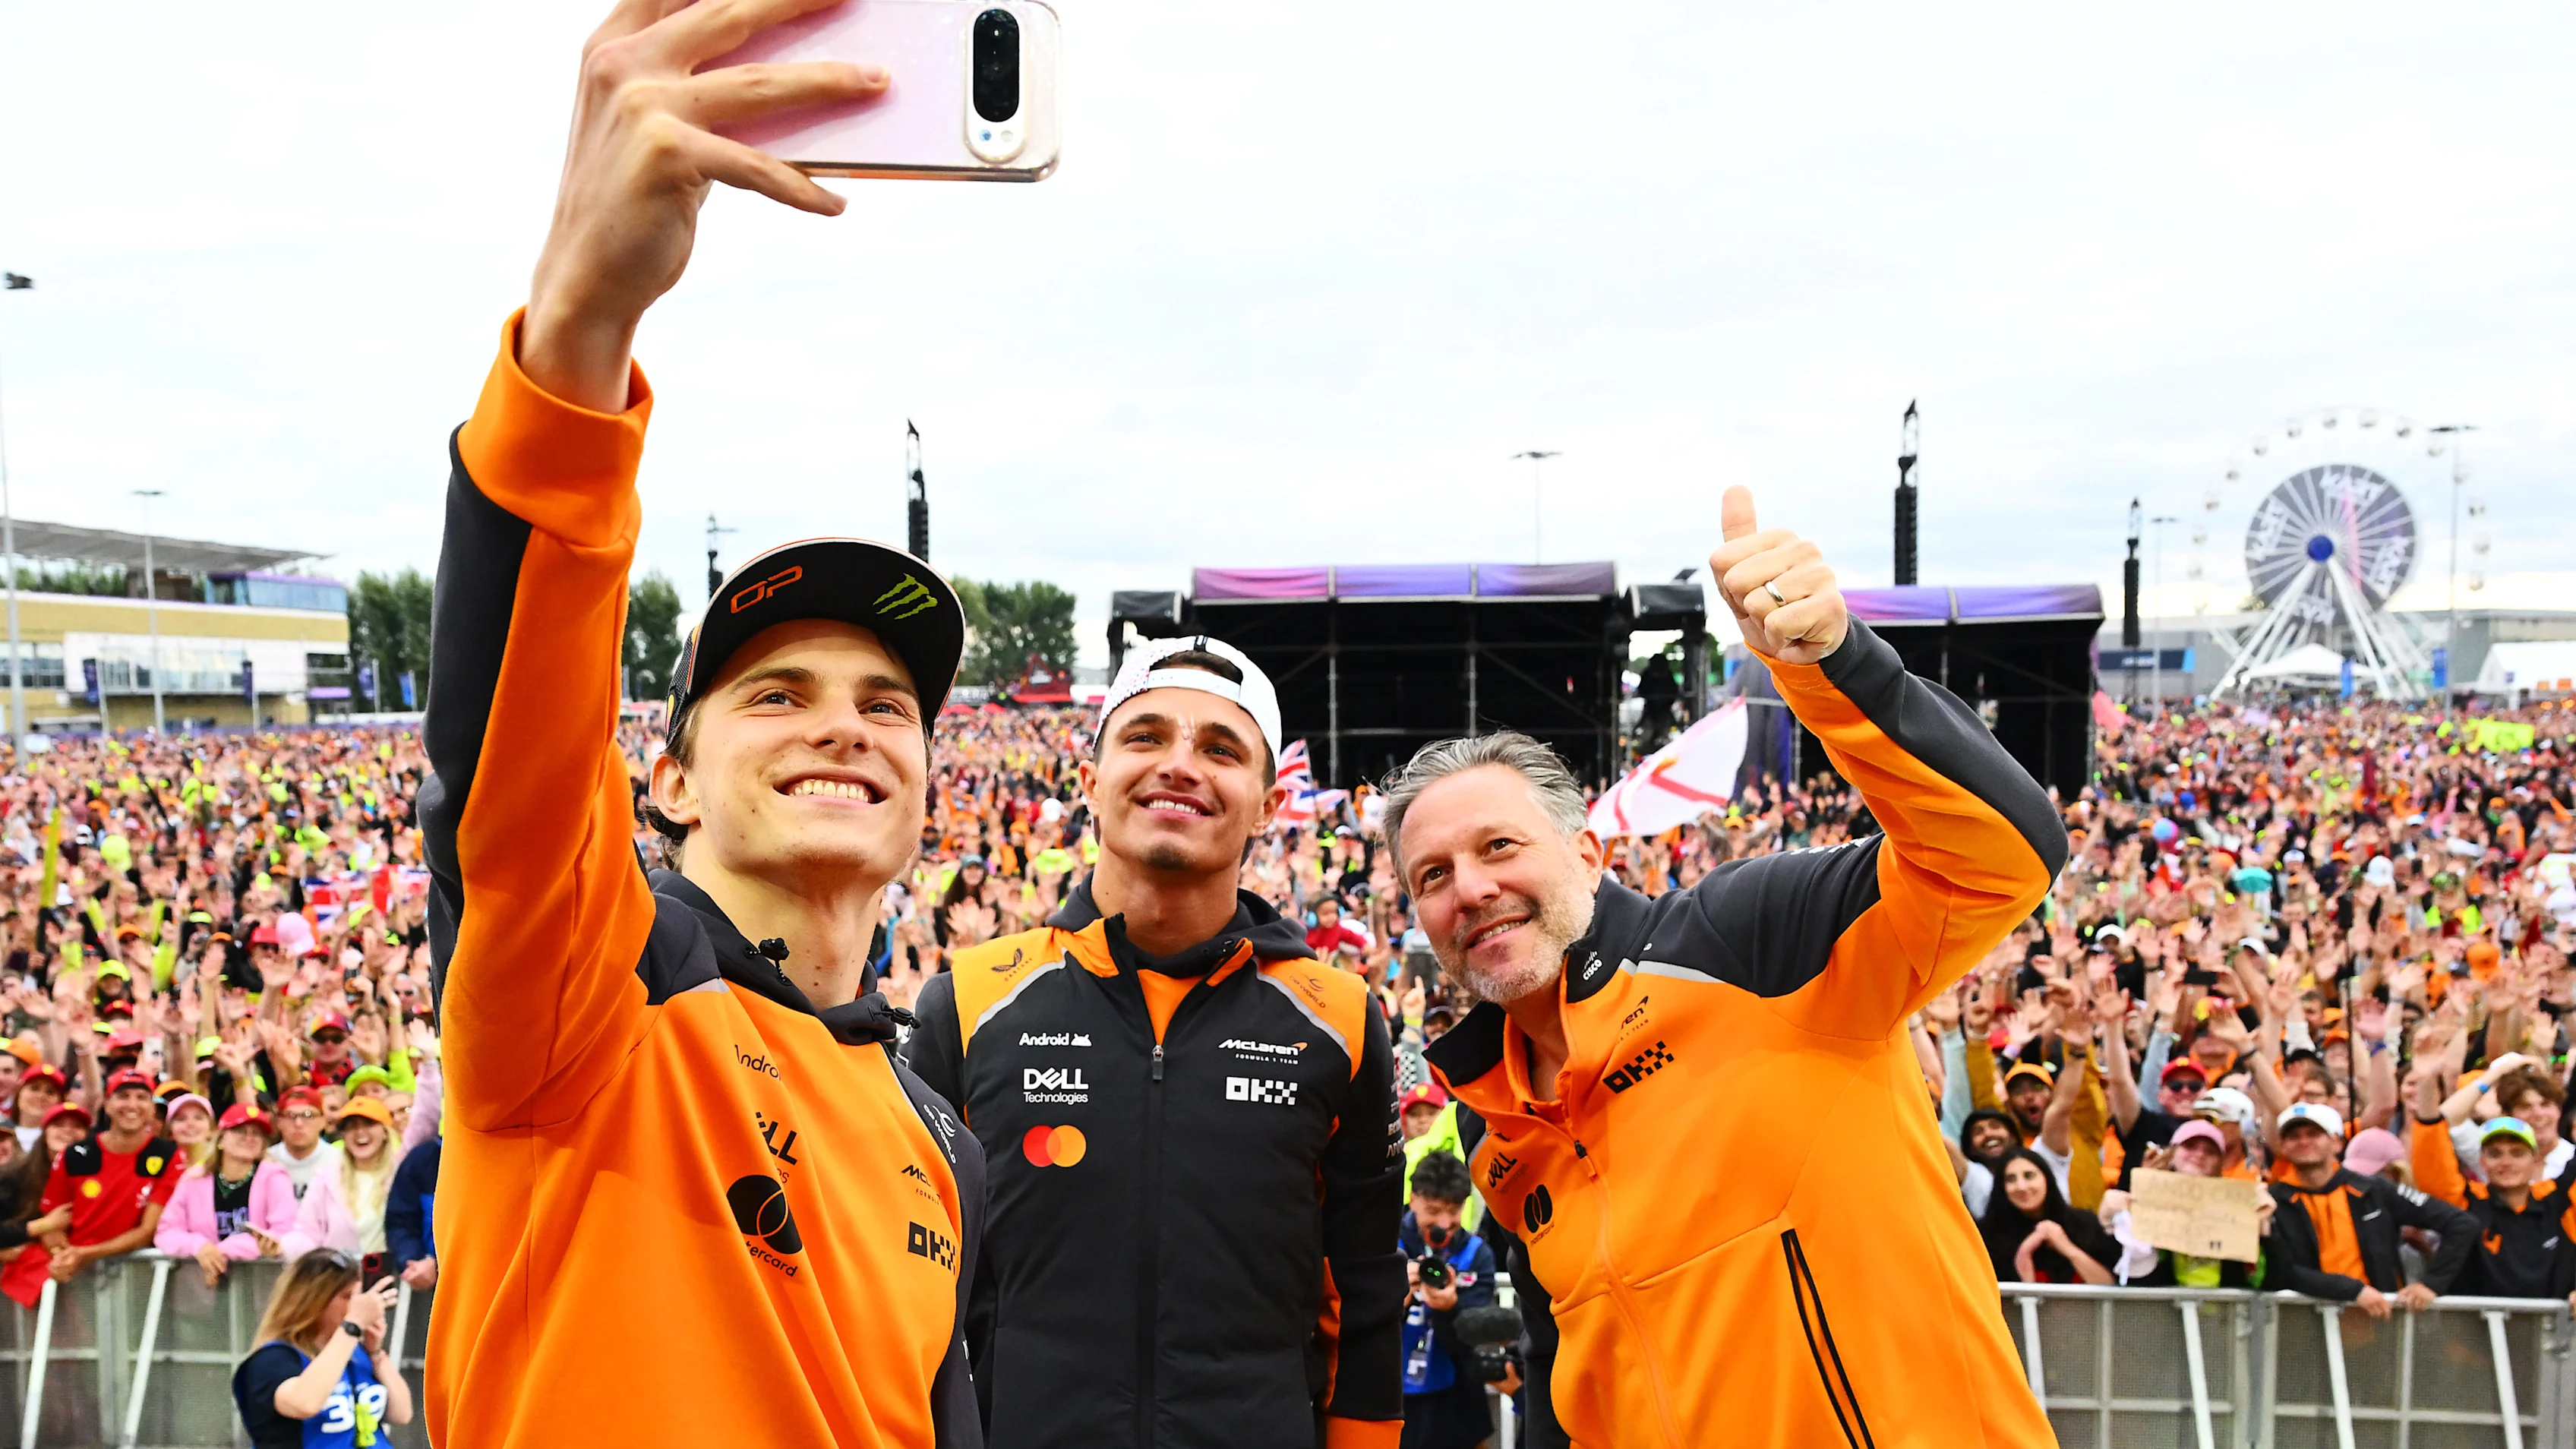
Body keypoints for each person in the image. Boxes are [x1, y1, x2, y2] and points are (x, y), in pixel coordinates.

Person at [420, 4, 984, 1441]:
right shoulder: (595, 985)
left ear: (930, 781)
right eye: (775, 694)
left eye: (884, 703)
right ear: (664, 776)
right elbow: (509, 783)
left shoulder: (941, 1138)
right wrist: (580, 327)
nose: (842, 727)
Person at [1403, 488, 2065, 1447]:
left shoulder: (1743, 940)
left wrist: (1838, 669)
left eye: (1500, 846)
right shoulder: (1489, 1119)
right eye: (1433, 875)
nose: (1468, 889)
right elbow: (1570, 1365)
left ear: (1587, 856)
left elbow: (2005, 856)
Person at [905, 633, 1402, 1449]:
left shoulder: (1338, 1017)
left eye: (1219, 747)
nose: (1179, 764)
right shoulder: (968, 1000)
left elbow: (1368, 1287)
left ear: (1268, 804)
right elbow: (909, 1287)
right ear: (1089, 783)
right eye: (1146, 737)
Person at [2268, 1102, 2474, 1318]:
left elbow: (2461, 1223)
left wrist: (2432, 1284)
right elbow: (2279, 1271)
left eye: (2313, 1134)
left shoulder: (2374, 1189)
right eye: (2293, 1136)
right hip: (2301, 1328)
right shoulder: (2272, 1201)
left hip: (2379, 1325)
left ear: (2337, 1142)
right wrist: (2352, 1290)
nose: (2303, 1142)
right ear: (2282, 1146)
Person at [0, 1069, 181, 1306]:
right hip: (75, 1280)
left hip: (136, 1276)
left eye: (141, 1097)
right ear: (107, 1104)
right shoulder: (74, 1156)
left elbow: (146, 1231)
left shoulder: (169, 1155)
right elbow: (53, 1220)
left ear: (152, 1107)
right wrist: (62, 1256)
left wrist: (83, 1255)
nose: (132, 1105)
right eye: (123, 1096)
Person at [232, 1249, 413, 1449]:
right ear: (314, 1301)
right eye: (347, 1297)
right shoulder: (273, 1359)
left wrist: (375, 1353)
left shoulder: (353, 1351)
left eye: (358, 1296)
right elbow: (305, 1403)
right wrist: (352, 1326)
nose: (357, 1305)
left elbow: (402, 1414)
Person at [2410, 1101, 2576, 1299]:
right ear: (2482, 1161)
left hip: (2549, 1329)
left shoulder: (2559, 1199)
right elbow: (2432, 1156)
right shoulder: (2465, 1201)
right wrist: (2429, 1081)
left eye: (2517, 1153)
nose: (2506, 1163)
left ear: (2535, 1160)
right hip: (2474, 1328)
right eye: (2495, 1154)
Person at [1399, 1151, 1501, 1449]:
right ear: (1413, 1198)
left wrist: (1451, 1308)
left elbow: (1476, 1341)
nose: (1444, 1223)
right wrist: (1394, 1301)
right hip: (1389, 1400)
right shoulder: (1383, 1245)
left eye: (1454, 1210)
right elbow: (1354, 1326)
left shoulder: (1477, 1254)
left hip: (1457, 1406)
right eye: (1433, 1210)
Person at [157, 1103, 298, 1288]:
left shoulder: (274, 1177)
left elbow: (285, 1233)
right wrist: (198, 1246)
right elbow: (166, 1232)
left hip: (259, 1291)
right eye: (240, 1130)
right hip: (202, 1292)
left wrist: (223, 1251)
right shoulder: (194, 1179)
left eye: (256, 1133)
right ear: (221, 1140)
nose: (249, 1138)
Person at [279, 1097, 405, 1281]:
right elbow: (306, 1232)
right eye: (351, 1127)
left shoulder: (401, 1173)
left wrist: (428, 1070)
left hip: (392, 1280)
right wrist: (285, 1247)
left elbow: (424, 1124)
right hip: (337, 1284)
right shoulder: (326, 1178)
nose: (360, 1132)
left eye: (369, 1124)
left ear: (385, 1132)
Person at [1977, 1147, 2119, 1285]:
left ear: (2047, 1179)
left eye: (2029, 1176)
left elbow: (2110, 1287)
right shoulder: (1988, 1236)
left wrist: (2066, 1247)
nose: (2021, 1186)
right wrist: (2024, 1254)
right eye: (2010, 1179)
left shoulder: (2085, 1224)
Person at [384, 1126, 440, 1293]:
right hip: (426, 1282)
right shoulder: (422, 1159)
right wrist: (412, 1260)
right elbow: (400, 1221)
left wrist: (438, 1263)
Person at [265, 1087, 341, 1201]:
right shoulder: (266, 1161)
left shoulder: (339, 1161)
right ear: (279, 1122)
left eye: (308, 1115)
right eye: (290, 1116)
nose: (298, 1123)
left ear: (323, 1121)